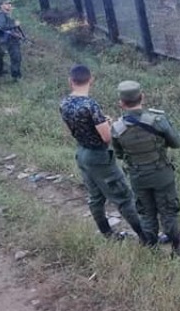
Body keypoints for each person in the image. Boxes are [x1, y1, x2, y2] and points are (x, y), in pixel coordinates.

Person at [59, 65, 152, 246]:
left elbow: (71, 129)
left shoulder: (64, 103)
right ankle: (146, 237)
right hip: (99, 157)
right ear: (91, 80)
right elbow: (106, 137)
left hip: (82, 153)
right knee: (124, 197)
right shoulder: (90, 105)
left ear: (70, 81)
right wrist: (108, 122)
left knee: (95, 196)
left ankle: (107, 233)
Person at [111, 80, 180, 255]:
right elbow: (176, 143)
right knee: (168, 211)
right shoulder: (158, 120)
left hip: (138, 177)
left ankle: (152, 250)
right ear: (142, 97)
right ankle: (177, 249)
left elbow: (119, 154)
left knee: (146, 213)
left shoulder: (117, 128)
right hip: (161, 174)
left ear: (121, 103)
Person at [0, 0, 24, 81]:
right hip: (9, 40)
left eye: (9, 3)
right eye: (6, 3)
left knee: (17, 56)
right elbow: (2, 26)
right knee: (15, 57)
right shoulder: (1, 15)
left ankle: (17, 73)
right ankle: (15, 75)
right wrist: (14, 25)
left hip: (13, 38)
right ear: (1, 5)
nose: (9, 5)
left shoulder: (6, 14)